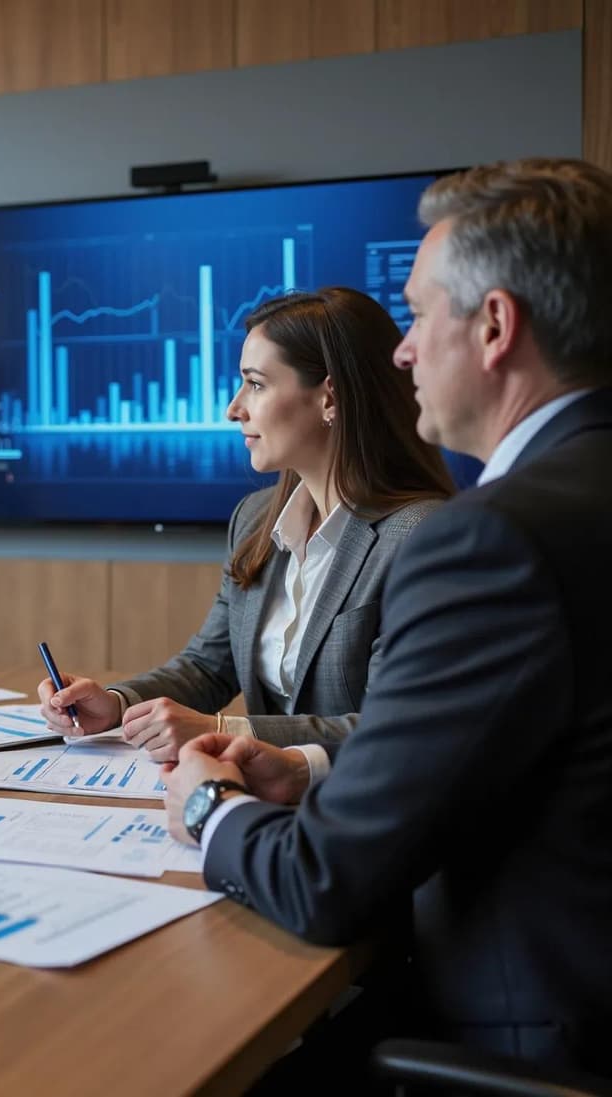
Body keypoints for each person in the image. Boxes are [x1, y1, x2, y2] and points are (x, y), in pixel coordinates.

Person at [165, 158, 612, 1076]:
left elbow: (324, 881)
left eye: (418, 315)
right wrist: (305, 769)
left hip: (526, 1035)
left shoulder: (488, 540)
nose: (401, 353)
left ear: (493, 326)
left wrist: (206, 807)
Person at [39, 287, 454, 760]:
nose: (234, 409)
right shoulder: (256, 519)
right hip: (266, 801)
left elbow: (393, 728)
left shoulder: (422, 537)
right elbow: (207, 668)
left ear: (330, 398)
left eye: (255, 384)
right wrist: (114, 705)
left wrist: (224, 729)